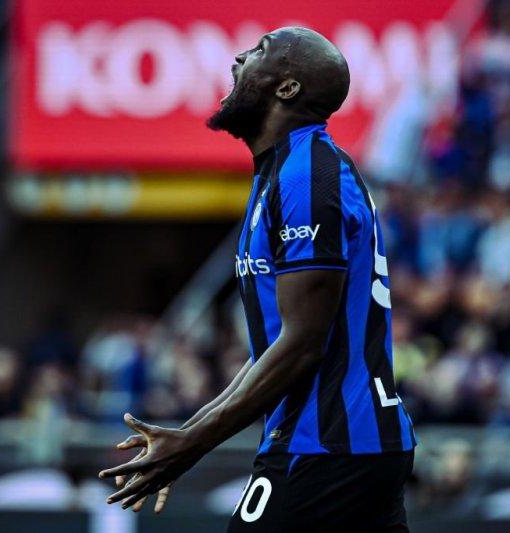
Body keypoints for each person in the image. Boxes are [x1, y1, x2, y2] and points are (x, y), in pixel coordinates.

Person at [99, 26, 416, 532]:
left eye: (259, 50)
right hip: (346, 446)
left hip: (328, 448)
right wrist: (189, 431)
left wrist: (193, 443)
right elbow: (279, 341)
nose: (239, 58)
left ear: (287, 87)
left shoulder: (307, 177)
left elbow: (303, 343)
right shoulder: (284, 172)